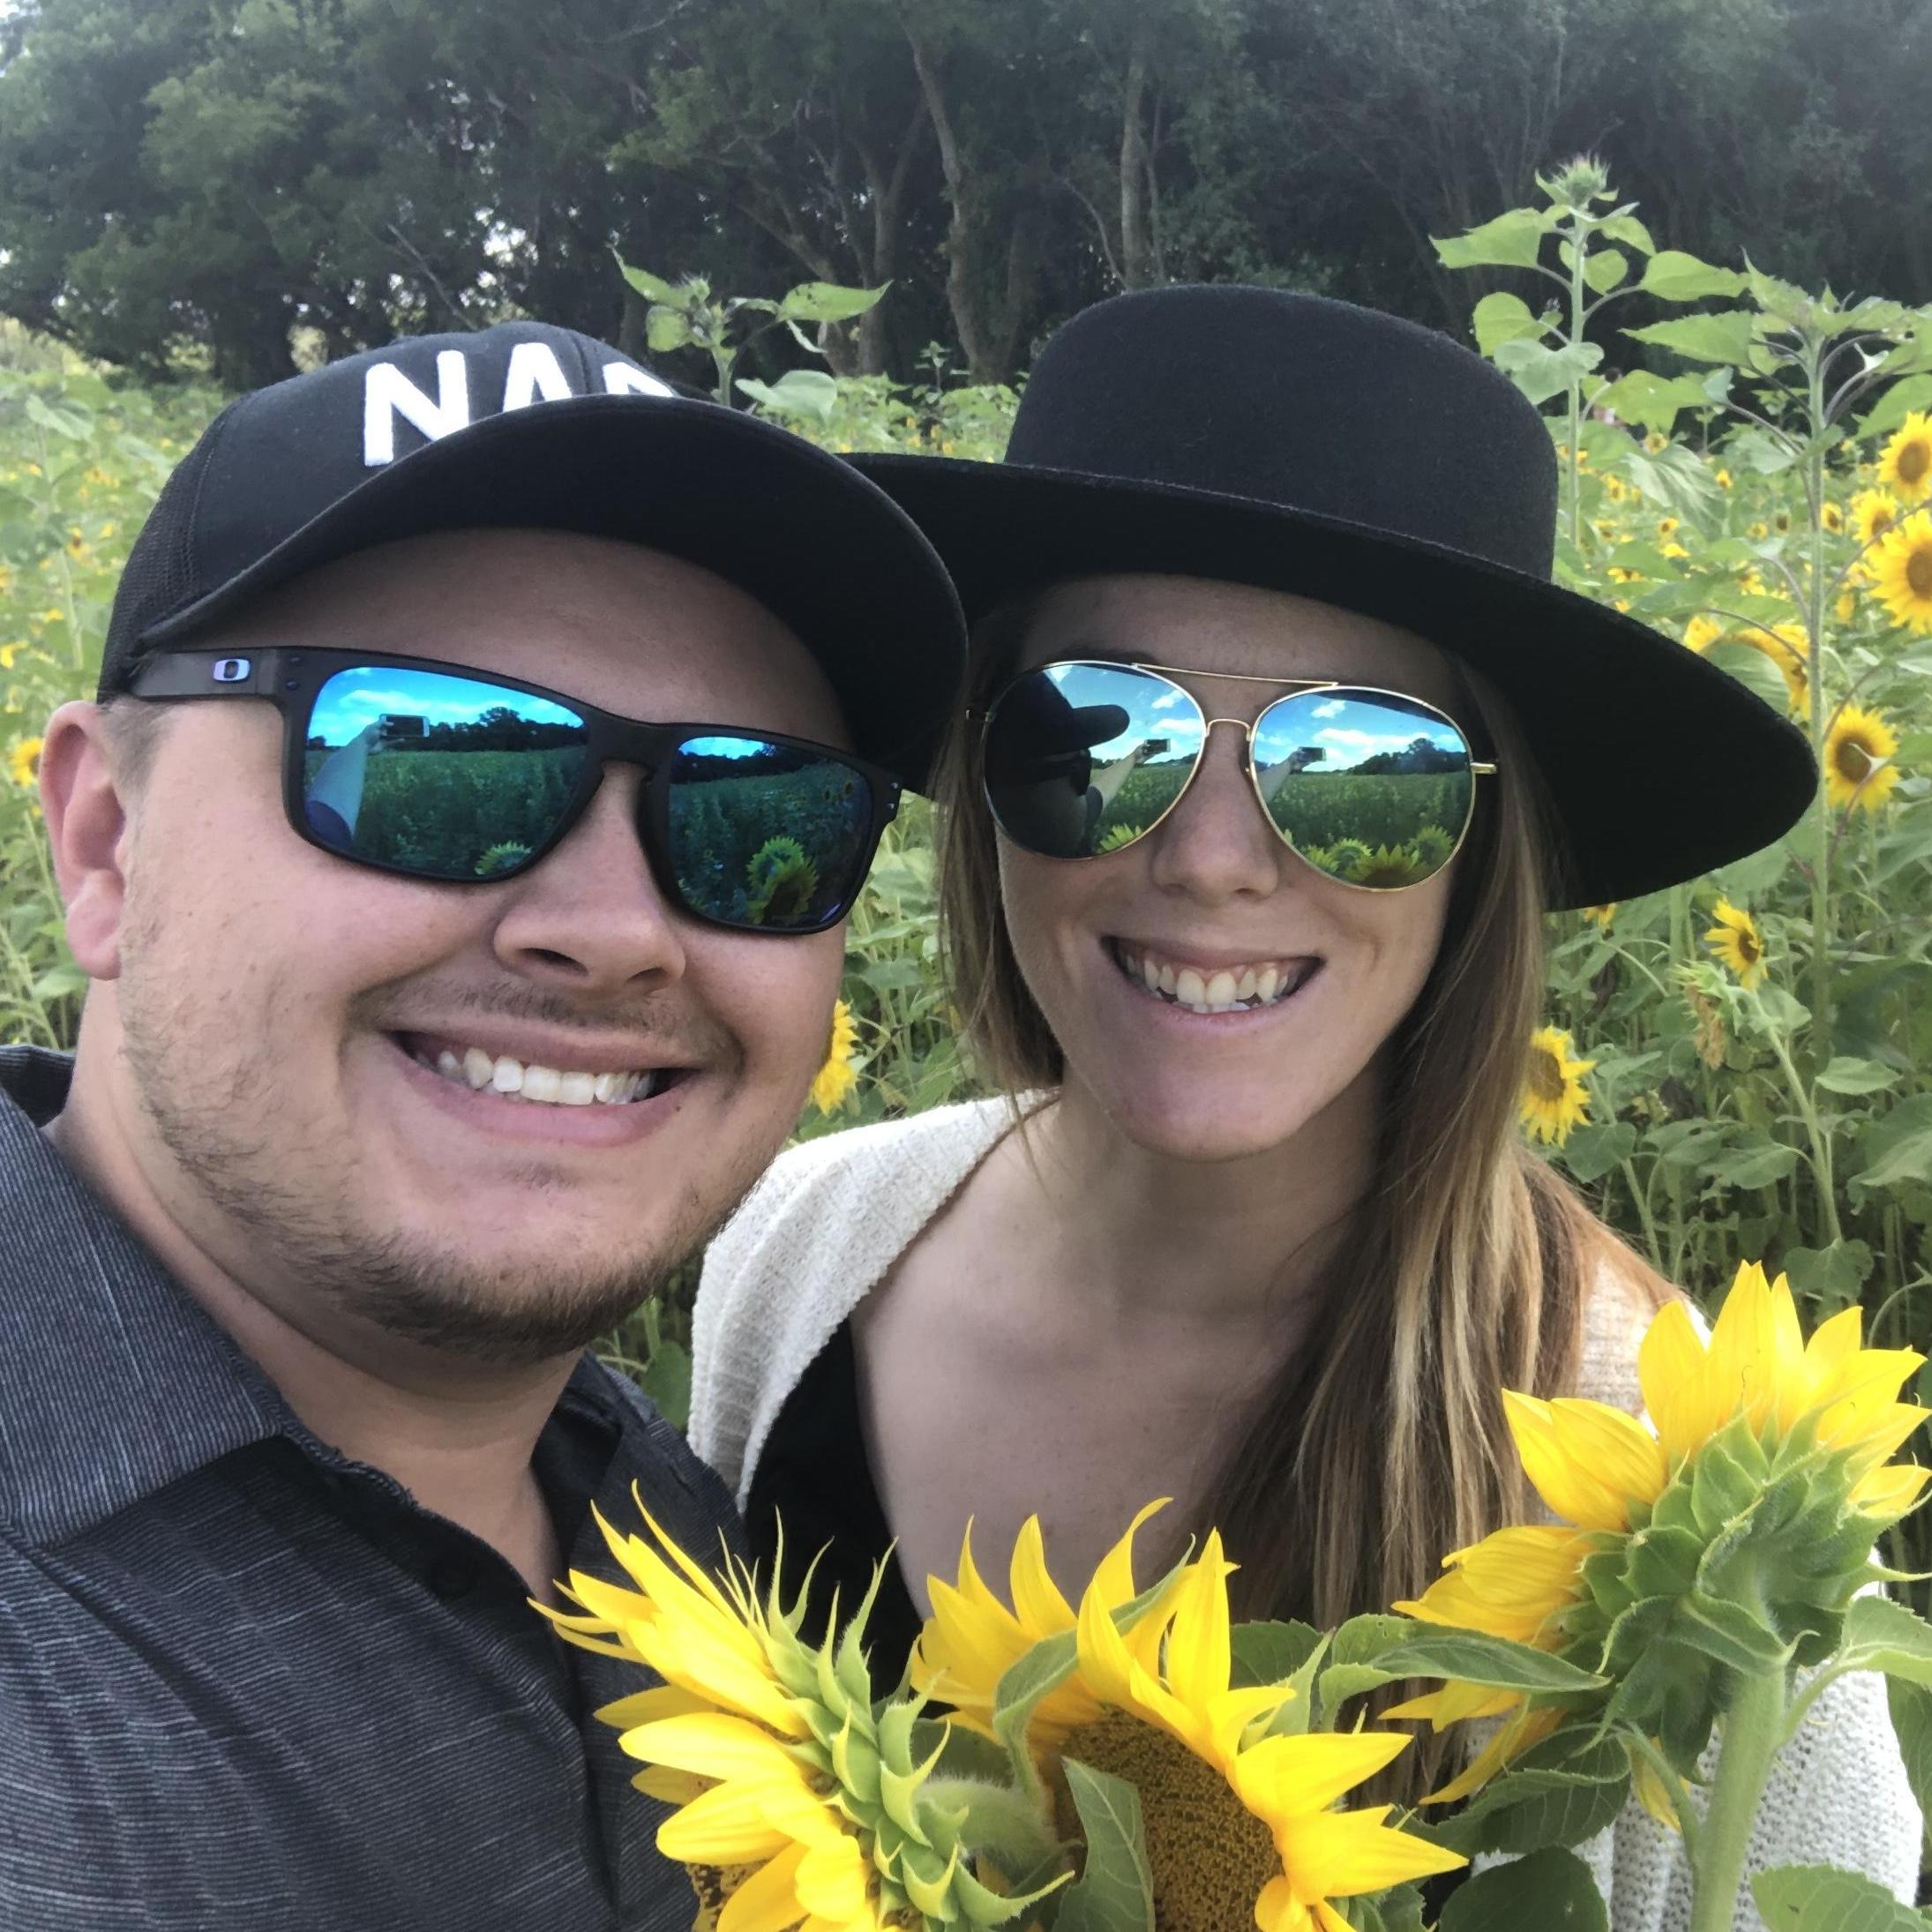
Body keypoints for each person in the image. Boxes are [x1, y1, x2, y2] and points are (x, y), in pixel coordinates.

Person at [688, 286, 1923, 1922]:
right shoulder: (793, 1245)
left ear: (1484, 846)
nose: (1207, 857)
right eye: (1095, 733)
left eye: (1363, 761)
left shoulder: (1686, 1512)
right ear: (981, 780)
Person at [1, 319, 964, 1930]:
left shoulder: (655, 1500)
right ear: (105, 843)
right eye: (425, 750)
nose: (614, 927)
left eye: (754, 810)